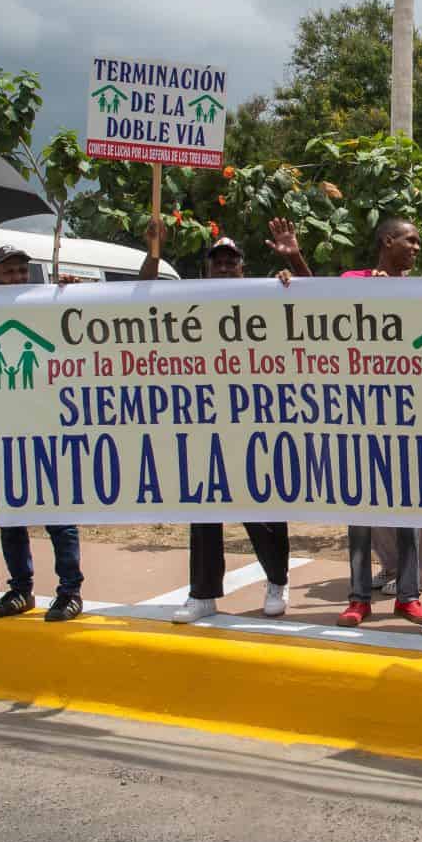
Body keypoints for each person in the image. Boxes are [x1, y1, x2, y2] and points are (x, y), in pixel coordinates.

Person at [274, 216, 422, 624]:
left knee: (408, 510)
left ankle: (408, 596)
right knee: (360, 512)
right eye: (410, 240)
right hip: (358, 414)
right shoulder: (354, 280)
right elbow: (321, 300)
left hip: (405, 414)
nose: (417, 248)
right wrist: (295, 259)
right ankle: (359, 598)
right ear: (387, 241)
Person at [144, 224, 292, 622]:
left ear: (243, 268)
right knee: (204, 507)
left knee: (262, 503)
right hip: (204, 419)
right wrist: (153, 253)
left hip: (254, 418)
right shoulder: (188, 299)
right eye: (218, 262)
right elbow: (141, 297)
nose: (224, 267)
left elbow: (307, 303)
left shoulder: (264, 296)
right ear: (207, 269)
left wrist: (290, 275)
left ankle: (277, 580)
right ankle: (203, 593)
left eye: (231, 261)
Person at [0, 245, 85, 622]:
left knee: (58, 514)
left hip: (48, 423)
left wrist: (69, 295)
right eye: (9, 271)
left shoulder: (46, 304)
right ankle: (20, 590)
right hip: (3, 427)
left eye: (23, 270)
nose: (18, 278)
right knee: (10, 514)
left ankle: (70, 591)